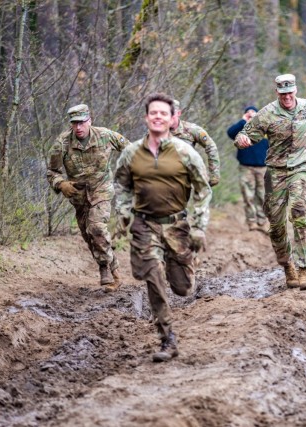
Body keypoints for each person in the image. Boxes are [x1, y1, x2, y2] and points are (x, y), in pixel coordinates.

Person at [114, 93, 212, 362]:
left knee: (182, 287)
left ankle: (186, 266)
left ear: (172, 119)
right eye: (153, 113)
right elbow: (121, 185)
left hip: (177, 226)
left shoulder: (185, 152)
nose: (158, 116)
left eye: (163, 113)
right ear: (146, 118)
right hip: (144, 225)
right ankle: (167, 338)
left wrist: (199, 227)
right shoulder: (132, 153)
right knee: (154, 277)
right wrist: (123, 213)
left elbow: (203, 191)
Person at [235, 74, 306, 290]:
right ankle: (288, 265)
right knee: (276, 225)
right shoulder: (267, 113)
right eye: (282, 93)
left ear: (296, 90)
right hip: (275, 172)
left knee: (299, 211)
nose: (287, 97)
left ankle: (304, 268)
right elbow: (245, 135)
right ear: (277, 93)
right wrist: (242, 141)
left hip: (301, 168)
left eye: (290, 92)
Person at [47, 104, 128, 292]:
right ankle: (104, 266)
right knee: (89, 236)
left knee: (96, 228)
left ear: (89, 121)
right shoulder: (62, 144)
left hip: (101, 189)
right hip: (79, 196)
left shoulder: (105, 135)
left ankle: (114, 273)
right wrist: (61, 184)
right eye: (74, 123)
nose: (78, 127)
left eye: (82, 123)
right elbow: (51, 171)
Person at [227, 106, 269, 232]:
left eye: (253, 113)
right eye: (247, 113)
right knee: (248, 196)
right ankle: (251, 222)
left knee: (263, 196)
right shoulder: (241, 129)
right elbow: (230, 133)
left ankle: (262, 222)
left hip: (263, 168)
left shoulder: (264, 128)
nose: (250, 115)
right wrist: (243, 121)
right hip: (246, 168)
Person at [171, 100, 221, 186]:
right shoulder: (156, 132)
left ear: (178, 113)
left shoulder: (191, 129)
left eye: (172, 113)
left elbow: (211, 146)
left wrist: (214, 174)